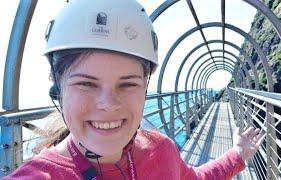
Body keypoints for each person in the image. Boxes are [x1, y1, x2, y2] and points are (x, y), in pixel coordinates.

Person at [3, 0, 264, 179]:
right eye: (86, 83)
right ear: (57, 89)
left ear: (145, 86)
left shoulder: (161, 150)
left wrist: (238, 155)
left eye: (127, 84)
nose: (109, 104)